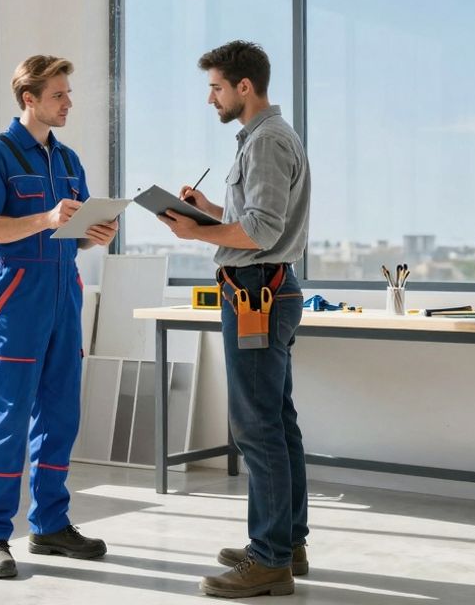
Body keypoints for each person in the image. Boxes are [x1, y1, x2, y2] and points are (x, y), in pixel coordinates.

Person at [158, 40, 312, 599]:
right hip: (265, 290)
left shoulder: (267, 141)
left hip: (255, 293)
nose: (211, 99)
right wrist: (210, 211)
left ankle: (269, 559)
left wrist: (197, 233)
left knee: (255, 426)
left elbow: (263, 233)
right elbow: (253, 219)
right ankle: (287, 541)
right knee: (277, 419)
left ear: (244, 88)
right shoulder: (265, 138)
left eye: (216, 88)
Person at [0, 55, 118, 579]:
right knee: (7, 415)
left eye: (68, 93)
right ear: (28, 98)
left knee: (59, 415)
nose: (68, 102)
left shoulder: (70, 160)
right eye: (58, 94)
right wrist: (47, 217)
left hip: (65, 292)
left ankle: (51, 524)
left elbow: (69, 234)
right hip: (18, 294)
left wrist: (94, 233)